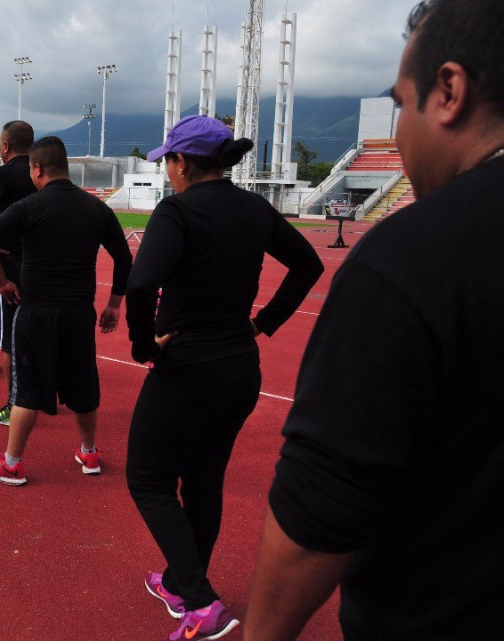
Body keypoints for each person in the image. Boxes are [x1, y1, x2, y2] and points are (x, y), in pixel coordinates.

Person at [245, 2, 504, 639]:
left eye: (401, 102)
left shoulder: (415, 256)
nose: (399, 128)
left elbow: (319, 513)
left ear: (449, 91)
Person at [123, 115, 323, 641]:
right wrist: (262, 323)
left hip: (186, 368)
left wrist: (144, 347)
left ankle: (200, 600)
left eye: (168, 160)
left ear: (183, 162)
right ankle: (179, 583)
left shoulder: (178, 210)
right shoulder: (255, 207)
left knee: (147, 479)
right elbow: (308, 266)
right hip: (239, 367)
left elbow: (141, 283)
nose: (166, 170)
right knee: (204, 480)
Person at [0, 136, 132, 486]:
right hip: (79, 312)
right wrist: (115, 304)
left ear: (38, 168)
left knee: (28, 387)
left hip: (37, 311)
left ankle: (13, 463)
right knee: (83, 385)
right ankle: (89, 452)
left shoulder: (30, 206)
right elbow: (124, 256)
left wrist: (1, 282)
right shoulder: (96, 209)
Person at [0, 120, 37, 425]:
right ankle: (43, 395)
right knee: (38, 334)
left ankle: (14, 405)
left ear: (5, 146)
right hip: (41, 266)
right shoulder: (41, 173)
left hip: (10, 266)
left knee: (9, 340)